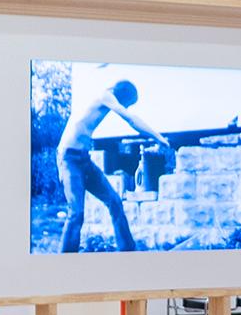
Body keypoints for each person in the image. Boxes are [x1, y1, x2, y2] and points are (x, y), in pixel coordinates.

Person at [57, 76, 173, 252]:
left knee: (115, 202)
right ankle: (65, 258)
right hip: (69, 159)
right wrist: (158, 137)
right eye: (128, 104)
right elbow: (131, 120)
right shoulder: (105, 95)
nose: (126, 108)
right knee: (76, 213)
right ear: (123, 95)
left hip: (84, 159)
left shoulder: (100, 97)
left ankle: (128, 251)